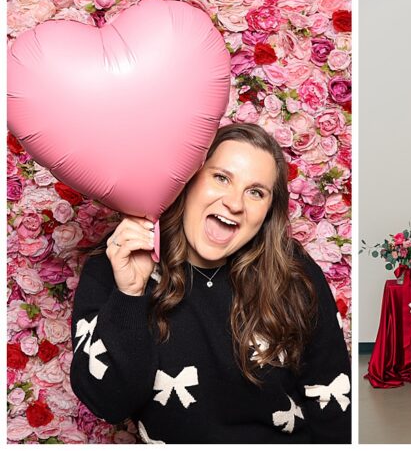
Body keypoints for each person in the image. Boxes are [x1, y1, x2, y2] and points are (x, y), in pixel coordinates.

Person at [70, 123, 352, 443]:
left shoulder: (294, 273)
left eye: (256, 192)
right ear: (188, 181)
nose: (235, 203)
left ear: (267, 213)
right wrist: (129, 295)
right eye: (221, 177)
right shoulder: (118, 259)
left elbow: (333, 405)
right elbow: (107, 404)